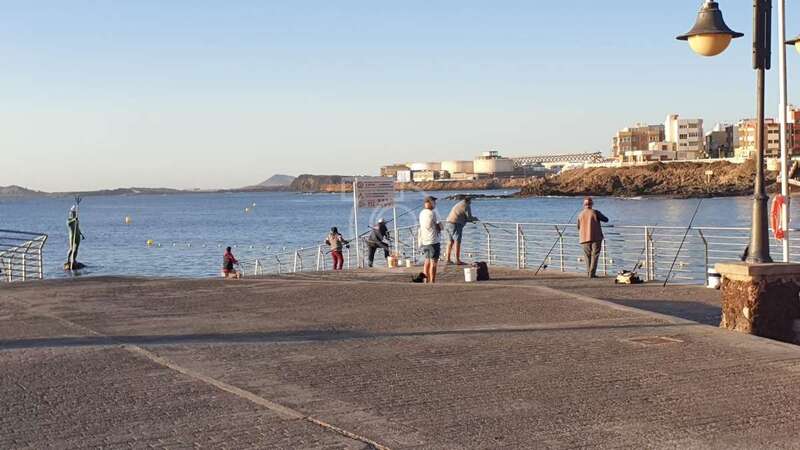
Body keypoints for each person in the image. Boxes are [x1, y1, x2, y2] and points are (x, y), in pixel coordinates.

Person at [576, 197, 609, 278]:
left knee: (587, 257)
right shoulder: (595, 212)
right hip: (596, 237)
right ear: (592, 204)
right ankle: (592, 273)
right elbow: (606, 219)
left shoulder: (580, 214)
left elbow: (578, 227)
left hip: (584, 238)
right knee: (595, 256)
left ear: (584, 205)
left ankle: (589, 273)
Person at [445, 196, 478, 265]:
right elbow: (469, 217)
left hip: (448, 223)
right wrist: (475, 219)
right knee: (457, 241)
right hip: (455, 224)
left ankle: (447, 259)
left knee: (450, 242)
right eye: (471, 201)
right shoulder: (466, 205)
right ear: (468, 201)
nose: (471, 203)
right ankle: (457, 260)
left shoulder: (459, 204)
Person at [418, 196, 442, 283]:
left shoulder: (421, 213)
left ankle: (425, 280)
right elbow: (440, 227)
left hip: (424, 241)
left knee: (427, 261)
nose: (435, 204)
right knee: (434, 262)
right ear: (428, 203)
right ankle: (432, 281)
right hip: (433, 241)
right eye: (433, 202)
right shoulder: (432, 213)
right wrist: (439, 227)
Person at [65, 205, 85, 270]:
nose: (74, 214)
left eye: (74, 213)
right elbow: (69, 224)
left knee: (76, 249)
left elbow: (78, 228)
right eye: (72, 213)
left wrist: (81, 234)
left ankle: (74, 259)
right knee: (71, 249)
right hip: (72, 236)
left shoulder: (77, 220)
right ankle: (68, 260)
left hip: (77, 236)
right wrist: (74, 219)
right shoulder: (69, 220)